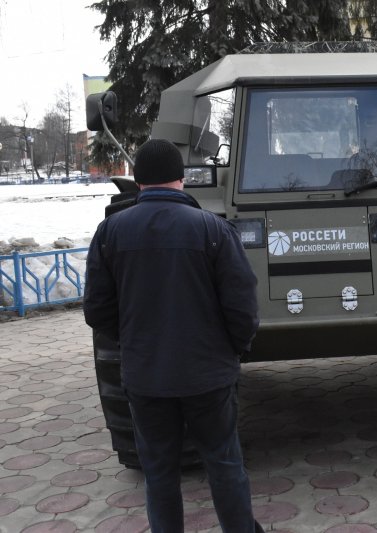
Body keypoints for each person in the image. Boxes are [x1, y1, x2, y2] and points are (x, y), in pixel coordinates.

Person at [83, 139, 263, 533]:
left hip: (146, 378)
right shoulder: (213, 230)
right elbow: (243, 308)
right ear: (182, 179)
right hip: (209, 376)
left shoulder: (110, 233)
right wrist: (233, 350)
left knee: (159, 473)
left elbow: (97, 311)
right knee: (224, 464)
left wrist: (136, 341)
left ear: (137, 180)